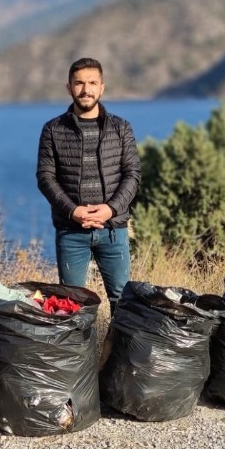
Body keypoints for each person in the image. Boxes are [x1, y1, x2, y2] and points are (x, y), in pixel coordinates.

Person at [36, 57, 141, 311]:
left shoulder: (121, 128)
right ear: (69, 87)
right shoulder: (53, 130)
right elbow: (45, 177)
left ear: (102, 87)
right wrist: (74, 211)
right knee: (71, 306)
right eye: (79, 83)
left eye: (92, 83)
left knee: (122, 304)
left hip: (113, 231)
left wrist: (111, 209)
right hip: (71, 233)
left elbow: (132, 175)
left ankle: (115, 352)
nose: (86, 89)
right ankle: (82, 352)